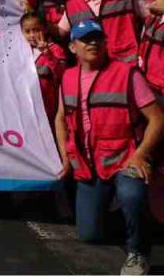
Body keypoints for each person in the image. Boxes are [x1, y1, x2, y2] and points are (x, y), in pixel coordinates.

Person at [55, 20, 163, 275]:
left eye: (98, 38)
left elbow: (158, 118)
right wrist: (66, 156)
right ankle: (130, 218)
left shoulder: (127, 74)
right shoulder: (68, 77)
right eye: (86, 39)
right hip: (90, 163)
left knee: (131, 194)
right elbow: (60, 117)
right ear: (72, 47)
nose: (93, 43)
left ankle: (138, 252)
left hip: (125, 158)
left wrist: (140, 155)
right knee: (89, 234)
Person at [21, 12, 66, 123]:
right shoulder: (20, 51)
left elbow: (62, 75)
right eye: (27, 31)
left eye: (36, 30)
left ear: (45, 29)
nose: (32, 35)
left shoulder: (55, 49)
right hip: (25, 107)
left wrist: (47, 53)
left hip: (48, 109)